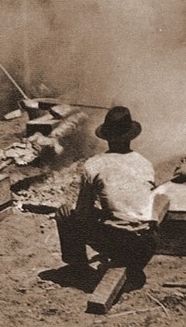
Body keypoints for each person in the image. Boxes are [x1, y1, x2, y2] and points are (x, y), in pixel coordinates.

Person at [54, 106, 160, 290]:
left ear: (107, 136)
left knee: (65, 214)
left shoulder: (94, 165)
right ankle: (132, 264)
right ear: (130, 136)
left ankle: (78, 268)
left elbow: (82, 213)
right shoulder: (145, 163)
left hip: (117, 244)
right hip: (146, 245)